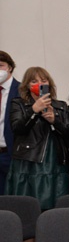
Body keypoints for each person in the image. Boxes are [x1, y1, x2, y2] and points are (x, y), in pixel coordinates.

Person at [6, 67, 69, 209]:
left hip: (55, 159)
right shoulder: (18, 103)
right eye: (34, 81)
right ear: (27, 85)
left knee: (56, 204)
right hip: (27, 160)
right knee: (27, 206)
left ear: (49, 83)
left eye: (43, 81)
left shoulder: (60, 105)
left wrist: (54, 121)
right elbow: (17, 128)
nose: (39, 84)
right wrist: (33, 110)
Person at [0, 50, 20, 192]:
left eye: (1, 65)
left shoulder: (22, 90)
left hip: (12, 154)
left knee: (15, 197)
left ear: (10, 67)